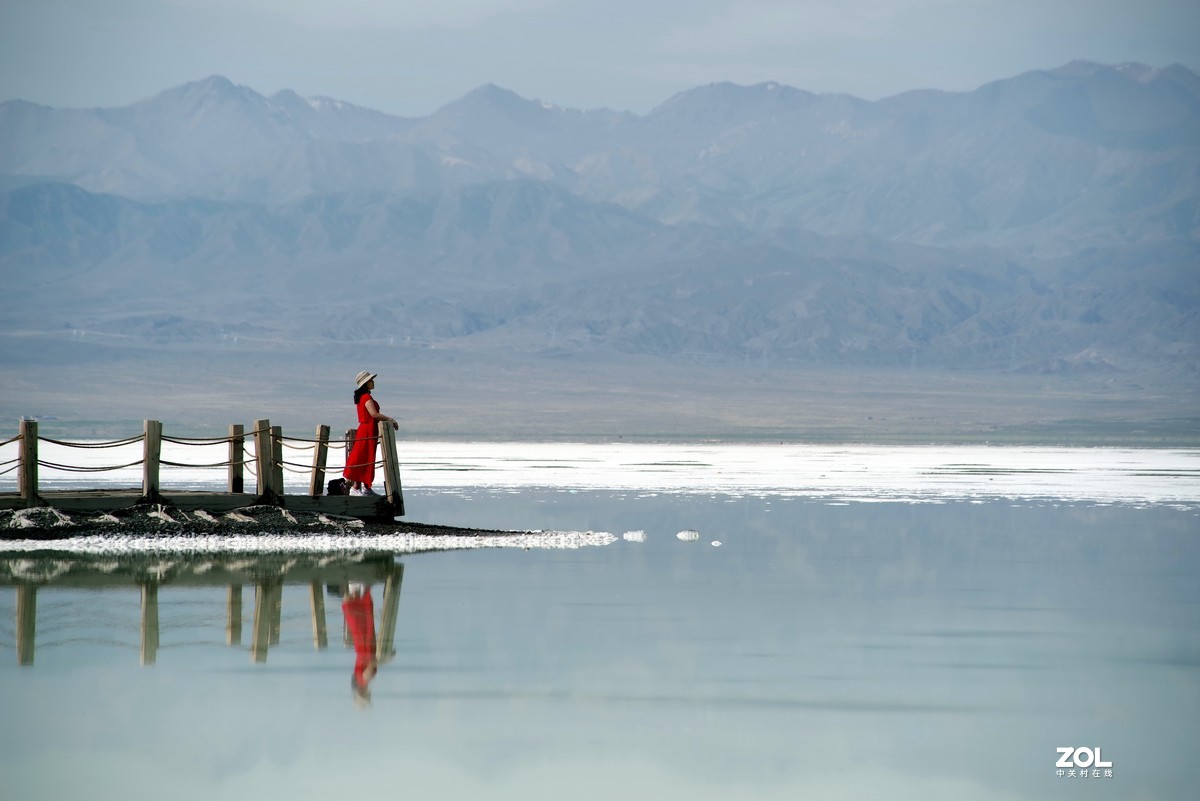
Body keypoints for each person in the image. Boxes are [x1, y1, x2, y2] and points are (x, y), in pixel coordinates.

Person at [342, 370, 398, 496]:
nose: (373, 382)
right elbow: (374, 414)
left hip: (368, 429)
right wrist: (390, 419)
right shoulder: (366, 397)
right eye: (371, 381)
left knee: (366, 458)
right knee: (365, 458)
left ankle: (363, 487)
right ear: (365, 383)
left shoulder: (365, 397)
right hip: (367, 430)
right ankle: (360, 488)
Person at [342, 582, 378, 704]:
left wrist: (385, 660)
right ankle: (354, 585)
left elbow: (372, 663)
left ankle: (358, 584)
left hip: (366, 646)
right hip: (362, 646)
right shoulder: (358, 679)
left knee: (363, 617)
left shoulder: (363, 681)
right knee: (356, 613)